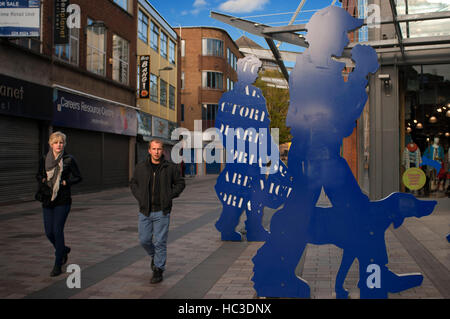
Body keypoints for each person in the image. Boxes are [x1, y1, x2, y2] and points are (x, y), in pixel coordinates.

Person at [130, 139, 185, 284]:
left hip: (162, 211)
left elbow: (180, 182)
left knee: (160, 241)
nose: (156, 152)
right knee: (144, 240)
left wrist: (170, 195)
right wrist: (140, 197)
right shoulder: (141, 167)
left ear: (163, 151)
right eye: (154, 149)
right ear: (149, 150)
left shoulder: (170, 168)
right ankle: (155, 257)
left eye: (159, 149)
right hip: (145, 211)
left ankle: (158, 269)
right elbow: (133, 183)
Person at [36, 131, 82, 277]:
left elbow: (79, 177)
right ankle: (63, 249)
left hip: (63, 199)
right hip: (47, 199)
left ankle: (57, 264)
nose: (58, 145)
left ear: (64, 144)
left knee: (57, 230)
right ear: (51, 144)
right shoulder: (44, 158)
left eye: (61, 142)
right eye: (55, 142)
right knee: (48, 232)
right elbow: (38, 174)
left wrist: (66, 182)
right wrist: (43, 179)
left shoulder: (69, 159)